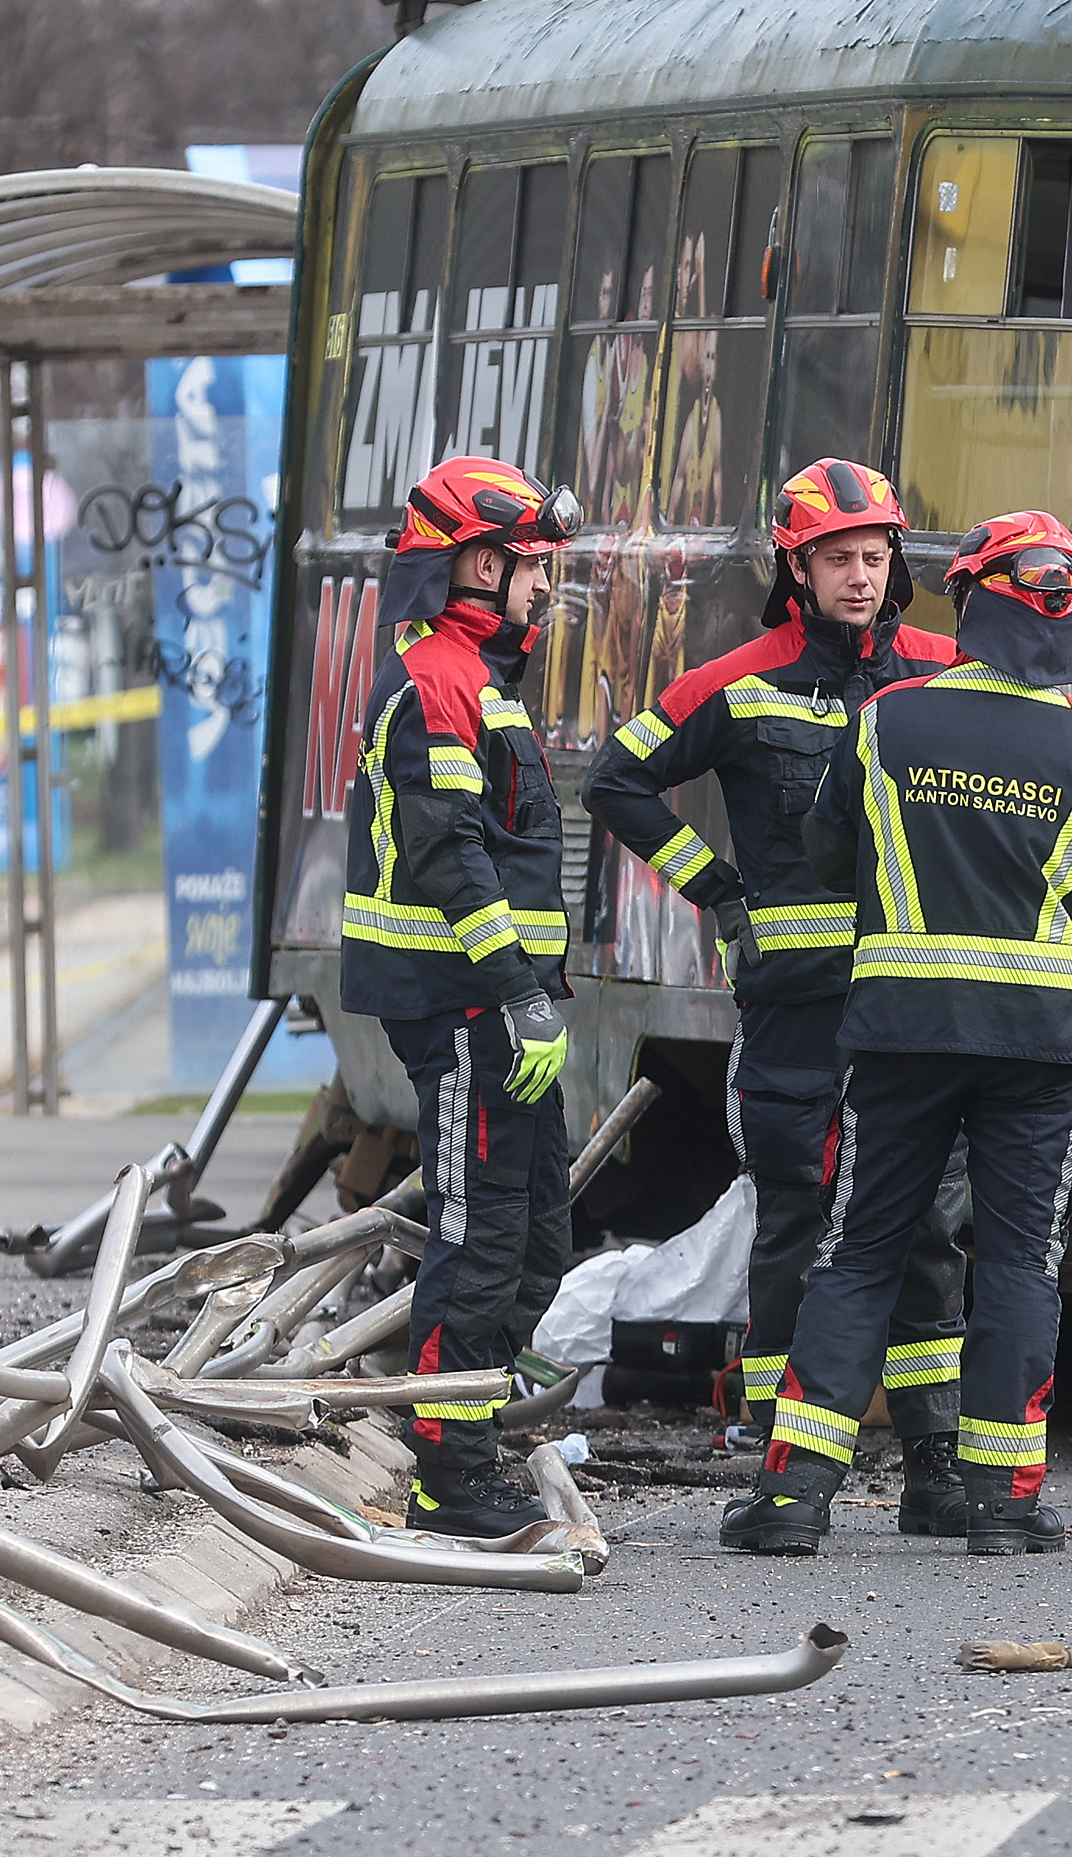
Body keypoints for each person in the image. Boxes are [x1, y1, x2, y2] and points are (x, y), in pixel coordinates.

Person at [733, 511, 1072, 1561]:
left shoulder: (886, 720)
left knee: (858, 1250)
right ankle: (1002, 1505)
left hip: (901, 1035)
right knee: (1017, 1265)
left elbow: (829, 853)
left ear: (970, 604)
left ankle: (791, 1501)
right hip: (1038, 1048)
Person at [582, 457, 977, 1540]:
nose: (861, 576)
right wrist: (717, 889)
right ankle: (785, 1470)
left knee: (928, 1230)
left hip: (914, 1008)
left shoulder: (945, 672)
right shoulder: (740, 681)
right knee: (794, 1227)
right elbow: (616, 777)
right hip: (795, 1013)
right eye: (838, 558)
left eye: (875, 555)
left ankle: (936, 1466)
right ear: (795, 568)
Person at [338, 453, 582, 1537]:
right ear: (479, 565)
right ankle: (449, 1471)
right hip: (466, 1004)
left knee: (535, 1231)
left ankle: (475, 1418)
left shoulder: (476, 679)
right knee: (478, 1229)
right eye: (532, 565)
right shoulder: (439, 679)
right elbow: (450, 855)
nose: (545, 585)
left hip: (499, 1004)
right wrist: (516, 993)